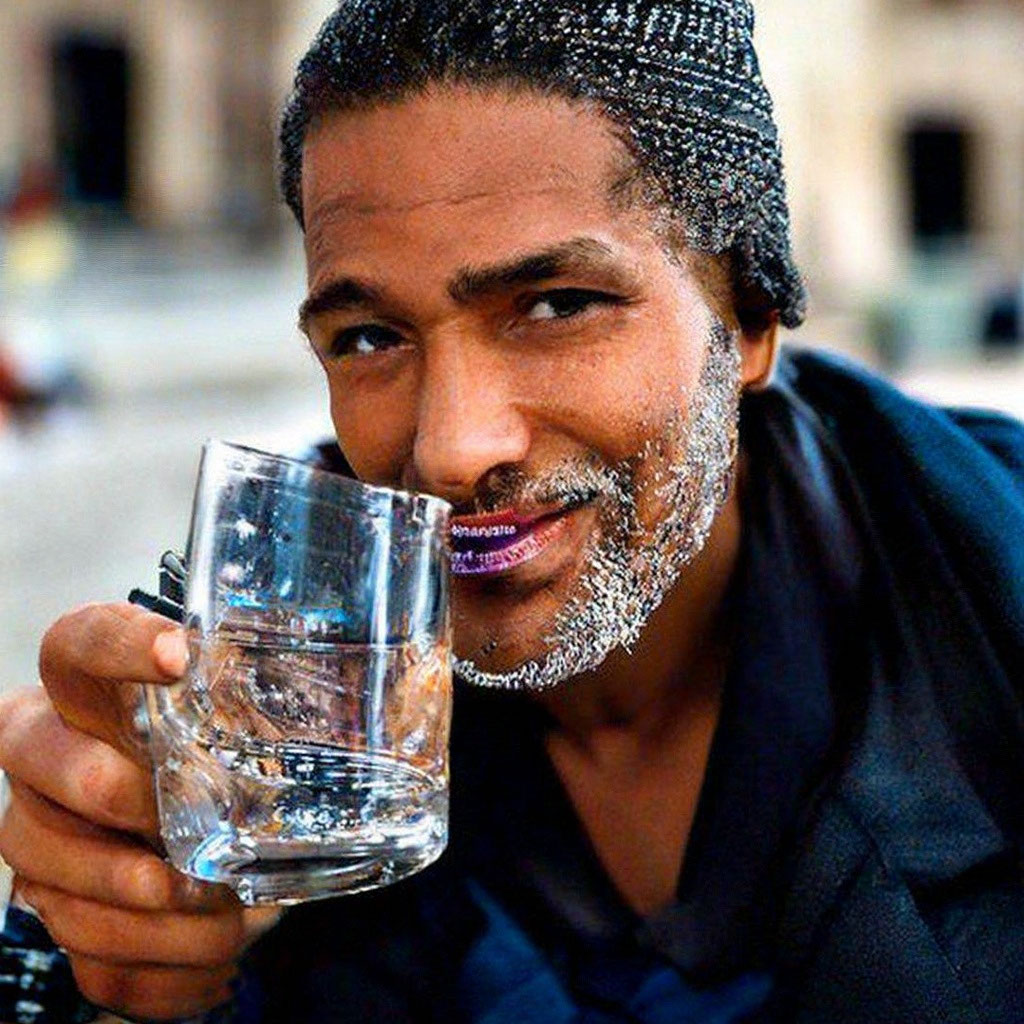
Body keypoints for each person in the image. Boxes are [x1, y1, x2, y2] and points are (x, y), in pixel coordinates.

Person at [2, 2, 1023, 1021]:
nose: (451, 450)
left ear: (748, 319)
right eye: (369, 337)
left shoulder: (992, 597)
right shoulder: (272, 694)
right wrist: (119, 967)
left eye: (557, 305)